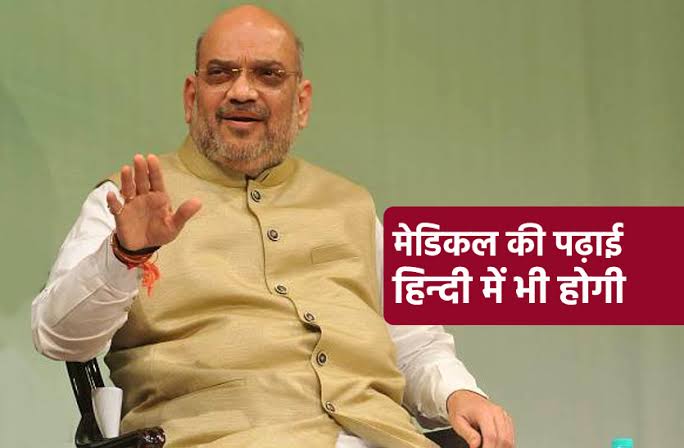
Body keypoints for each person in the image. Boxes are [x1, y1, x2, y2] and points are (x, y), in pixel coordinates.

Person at [31, 5, 515, 448]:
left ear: (301, 102)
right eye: (221, 73)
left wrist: (459, 393)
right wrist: (125, 255)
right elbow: (58, 336)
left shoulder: (350, 203)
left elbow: (414, 344)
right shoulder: (131, 202)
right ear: (191, 96)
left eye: (268, 74)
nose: (242, 91)